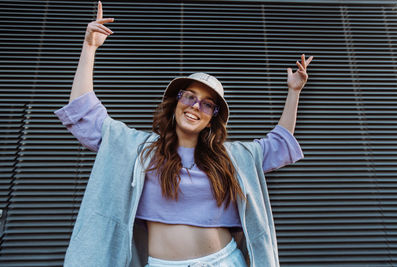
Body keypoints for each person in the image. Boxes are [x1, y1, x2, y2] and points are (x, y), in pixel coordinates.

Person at [54, 1, 313, 267]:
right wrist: (89, 48)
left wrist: (294, 92)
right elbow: (84, 113)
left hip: (225, 260)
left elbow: (279, 143)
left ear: (212, 118)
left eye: (207, 104)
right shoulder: (138, 149)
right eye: (189, 97)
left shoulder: (231, 157)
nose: (195, 106)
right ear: (176, 103)